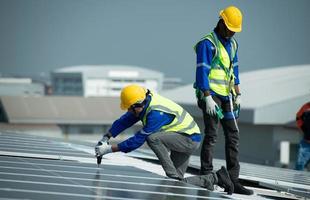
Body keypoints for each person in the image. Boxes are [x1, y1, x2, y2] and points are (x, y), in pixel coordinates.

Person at [95, 84, 234, 194]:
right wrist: (106, 137)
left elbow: (138, 140)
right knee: (178, 184)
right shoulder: (143, 103)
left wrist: (109, 149)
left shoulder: (156, 113)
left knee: (153, 138)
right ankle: (215, 178)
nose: (129, 111)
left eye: (130, 108)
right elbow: (125, 120)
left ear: (137, 105)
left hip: (188, 139)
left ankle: (173, 176)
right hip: (181, 137)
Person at [193, 6, 253, 195]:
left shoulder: (233, 44)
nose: (233, 32)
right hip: (210, 95)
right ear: (221, 23)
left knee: (233, 135)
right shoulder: (208, 43)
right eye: (230, 28)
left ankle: (233, 180)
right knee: (212, 135)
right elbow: (202, 70)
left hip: (227, 95)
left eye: (235, 30)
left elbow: (234, 68)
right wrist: (207, 97)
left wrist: (238, 92)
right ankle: (206, 176)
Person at [295, 102, 310, 171]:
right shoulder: (306, 106)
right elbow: (298, 117)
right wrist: (303, 128)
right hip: (307, 143)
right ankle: (297, 181)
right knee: (300, 165)